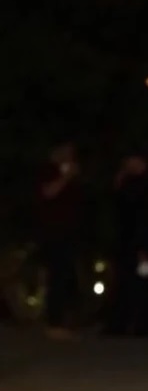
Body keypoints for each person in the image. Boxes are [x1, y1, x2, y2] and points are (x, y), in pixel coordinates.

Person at [104, 153, 148, 336]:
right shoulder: (127, 183)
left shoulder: (145, 186)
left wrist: (144, 247)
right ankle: (122, 323)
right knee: (125, 282)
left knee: (142, 284)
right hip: (127, 243)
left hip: (140, 243)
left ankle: (142, 325)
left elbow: (144, 219)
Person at [35, 140, 85, 339]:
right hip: (53, 232)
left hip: (70, 232)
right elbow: (48, 192)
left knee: (69, 276)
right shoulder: (48, 171)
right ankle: (53, 322)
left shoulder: (73, 174)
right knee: (57, 276)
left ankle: (67, 320)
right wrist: (66, 177)